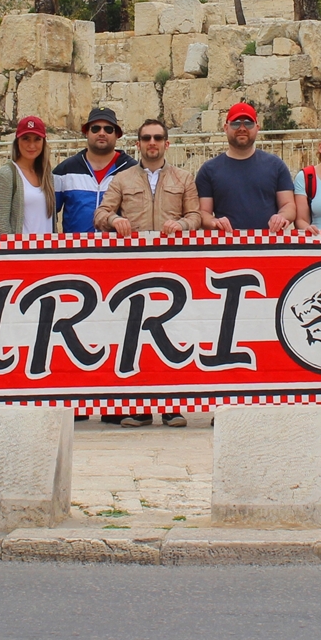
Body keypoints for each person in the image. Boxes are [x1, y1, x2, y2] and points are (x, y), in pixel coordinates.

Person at [95, 117, 203, 427]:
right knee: (136, 337)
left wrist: (181, 224)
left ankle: (172, 406)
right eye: (146, 138)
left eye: (157, 138)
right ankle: (140, 407)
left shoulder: (184, 178)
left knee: (173, 335)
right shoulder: (121, 179)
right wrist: (114, 220)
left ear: (166, 143)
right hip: (134, 270)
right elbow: (101, 213)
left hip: (173, 268)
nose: (152, 143)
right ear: (138, 144)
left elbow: (195, 215)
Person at [195, 102, 296, 233]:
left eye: (248, 123)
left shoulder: (276, 165)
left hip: (269, 242)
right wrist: (214, 222)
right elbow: (203, 212)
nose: (242, 128)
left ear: (257, 127)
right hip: (227, 242)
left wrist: (281, 217)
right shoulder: (209, 170)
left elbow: (288, 205)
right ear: (226, 127)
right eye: (236, 123)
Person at [53, 107, 135, 234]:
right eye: (95, 128)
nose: (102, 133)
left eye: (108, 129)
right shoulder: (65, 170)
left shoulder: (132, 170)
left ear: (117, 135)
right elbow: (48, 213)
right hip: (77, 246)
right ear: (86, 132)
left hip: (118, 246)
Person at [0, 115, 55, 235]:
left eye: (37, 139)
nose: (31, 145)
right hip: (21, 247)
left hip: (47, 246)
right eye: (26, 139)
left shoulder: (47, 175)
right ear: (17, 142)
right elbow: (1, 225)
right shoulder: (7, 175)